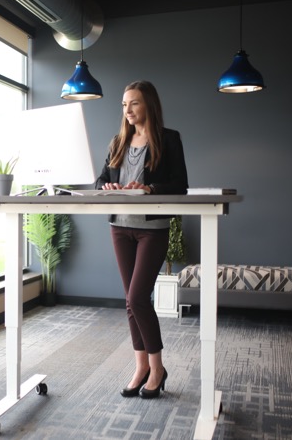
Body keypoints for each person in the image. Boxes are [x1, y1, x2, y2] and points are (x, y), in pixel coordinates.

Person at [94, 80, 188, 399]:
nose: (128, 110)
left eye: (133, 103)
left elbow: (181, 185)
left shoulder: (168, 140)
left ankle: (158, 367)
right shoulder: (118, 141)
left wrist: (150, 189)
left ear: (148, 103)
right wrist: (106, 187)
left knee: (137, 298)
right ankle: (141, 367)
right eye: (124, 104)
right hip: (120, 227)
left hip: (153, 228)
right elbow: (101, 179)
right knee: (130, 302)